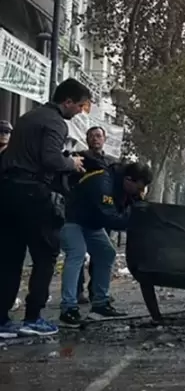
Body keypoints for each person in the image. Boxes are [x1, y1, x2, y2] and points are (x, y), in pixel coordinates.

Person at [0, 79, 91, 338]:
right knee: (45, 256)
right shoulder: (56, 122)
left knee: (9, 258)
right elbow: (50, 159)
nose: (80, 111)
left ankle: (2, 320)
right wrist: (72, 163)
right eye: (80, 106)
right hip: (34, 194)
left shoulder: (28, 117)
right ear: (68, 101)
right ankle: (33, 318)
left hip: (8, 191)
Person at [59, 160, 152, 327]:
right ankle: (68, 307)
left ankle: (100, 303)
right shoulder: (102, 183)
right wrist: (134, 219)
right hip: (71, 219)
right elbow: (111, 218)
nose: (139, 192)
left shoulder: (124, 186)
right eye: (138, 188)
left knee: (106, 253)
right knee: (76, 253)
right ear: (128, 180)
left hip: (91, 223)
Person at [74, 127, 113, 306]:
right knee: (78, 254)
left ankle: (97, 291)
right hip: (82, 213)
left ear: (104, 139)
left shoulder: (110, 162)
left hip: (103, 213)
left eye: (98, 136)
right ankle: (77, 292)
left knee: (101, 255)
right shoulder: (80, 159)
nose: (95, 139)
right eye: (91, 136)